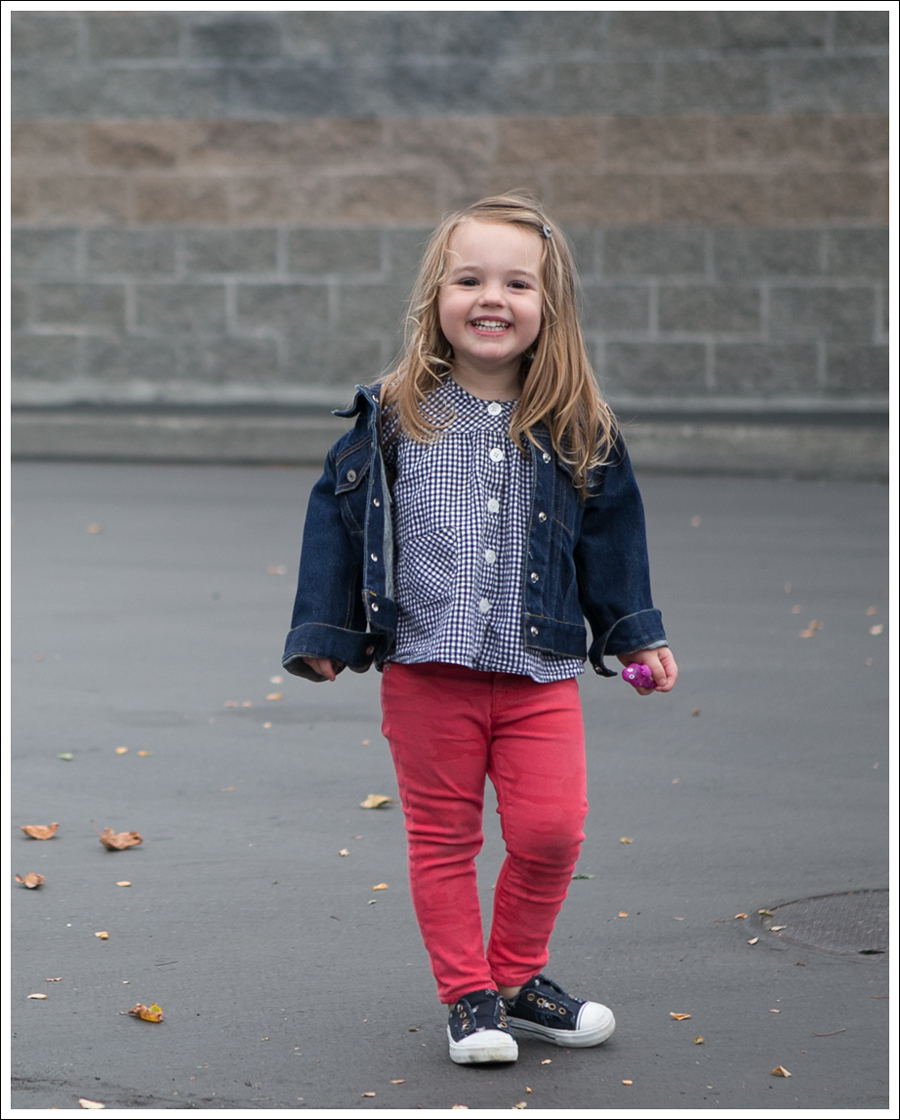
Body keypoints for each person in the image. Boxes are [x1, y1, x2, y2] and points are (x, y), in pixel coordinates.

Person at [283, 194, 677, 1066]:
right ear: (437, 298)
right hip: (428, 672)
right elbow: (336, 522)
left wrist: (634, 632)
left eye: (516, 283)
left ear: (549, 307)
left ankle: (517, 979)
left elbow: (613, 537)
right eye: (469, 279)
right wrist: (326, 629)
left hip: (539, 672)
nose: (491, 297)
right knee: (444, 841)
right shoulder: (393, 414)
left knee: (552, 833)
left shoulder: (578, 424)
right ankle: (470, 998)